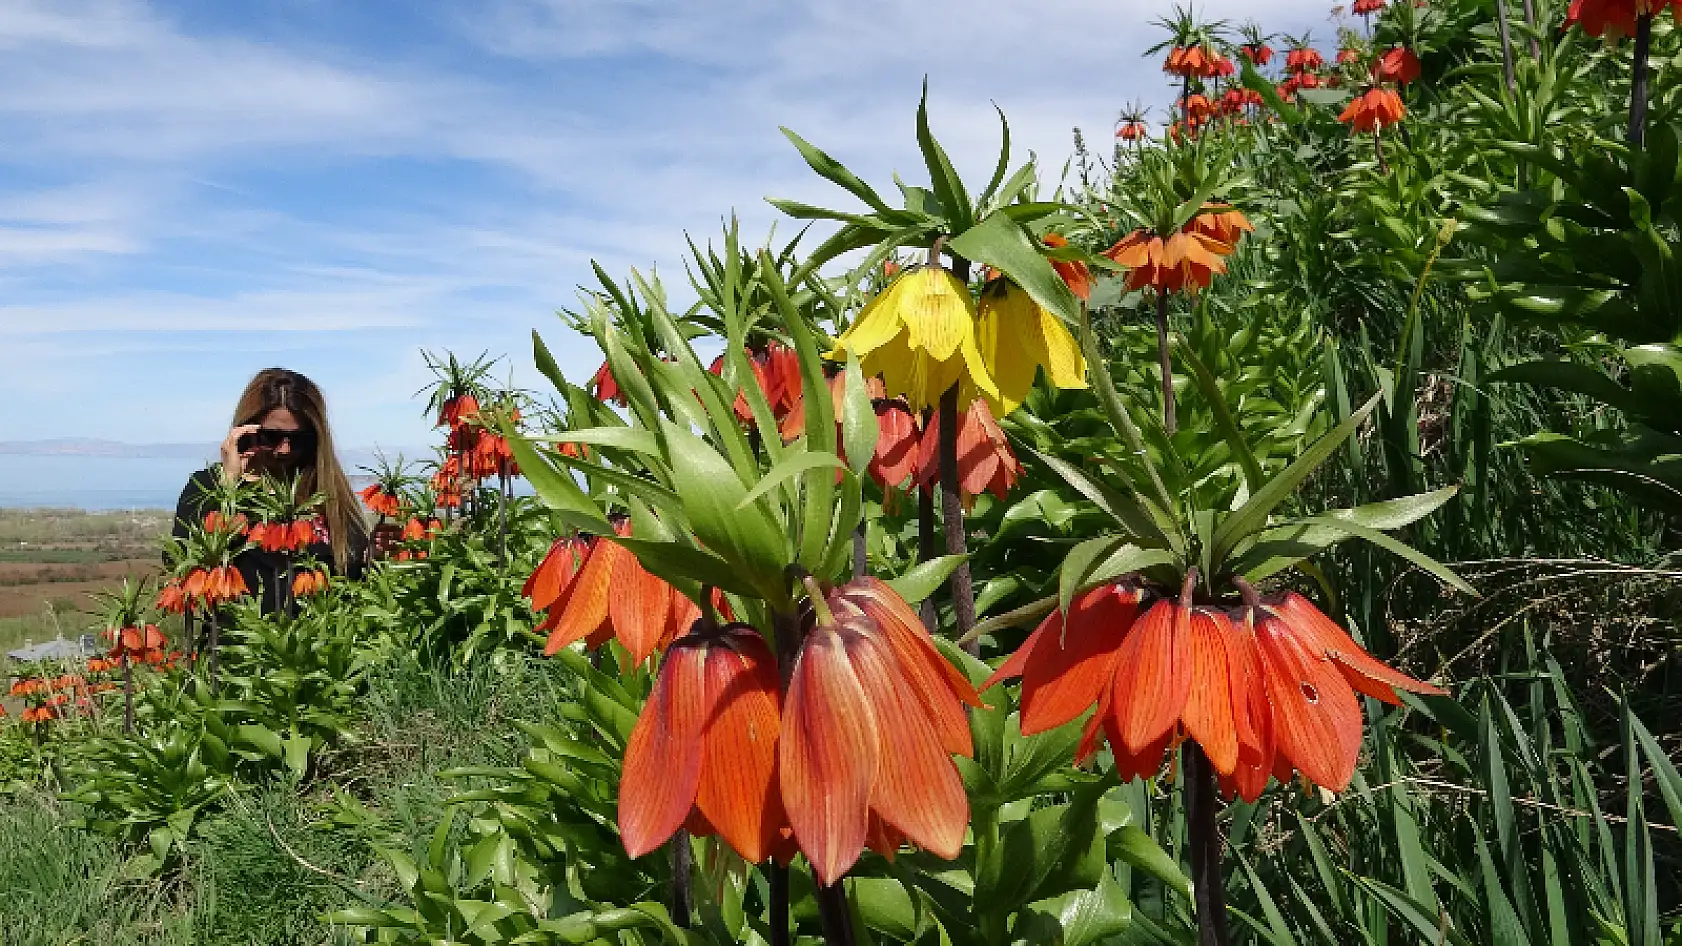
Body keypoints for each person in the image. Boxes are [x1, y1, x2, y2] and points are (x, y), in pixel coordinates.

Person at [171, 368, 371, 613]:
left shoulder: (324, 490)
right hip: (237, 636)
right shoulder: (209, 485)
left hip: (319, 634)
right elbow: (182, 560)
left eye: (299, 438)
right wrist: (229, 489)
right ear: (245, 431)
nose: (285, 449)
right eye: (272, 436)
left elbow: (351, 577)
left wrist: (374, 555)